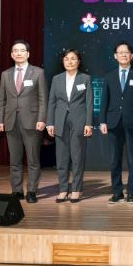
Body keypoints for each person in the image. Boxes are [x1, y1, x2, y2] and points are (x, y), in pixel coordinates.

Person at [0, 40, 48, 203]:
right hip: (11, 121)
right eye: (15, 50)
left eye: (22, 50)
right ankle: (17, 190)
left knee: (33, 159)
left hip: (32, 121)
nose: (19, 53)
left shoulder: (38, 72)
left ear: (28, 54)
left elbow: (43, 99)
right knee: (15, 160)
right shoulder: (6, 74)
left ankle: (31, 191)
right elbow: (2, 100)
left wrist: (42, 119)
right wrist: (0, 120)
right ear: (12, 54)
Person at [99, 41, 133, 204]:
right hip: (113, 122)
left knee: (132, 159)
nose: (123, 55)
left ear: (131, 56)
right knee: (115, 160)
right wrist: (102, 121)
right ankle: (117, 192)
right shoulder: (109, 76)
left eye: (126, 52)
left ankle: (131, 193)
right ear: (115, 56)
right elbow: (104, 102)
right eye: (120, 52)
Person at [46, 49, 93, 204]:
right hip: (60, 121)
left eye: (73, 58)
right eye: (66, 58)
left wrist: (89, 123)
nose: (70, 61)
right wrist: (50, 122)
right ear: (63, 61)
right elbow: (52, 102)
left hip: (79, 121)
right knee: (61, 158)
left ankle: (76, 190)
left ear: (78, 62)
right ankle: (63, 190)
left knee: (77, 157)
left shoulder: (85, 78)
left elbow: (89, 103)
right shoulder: (56, 79)